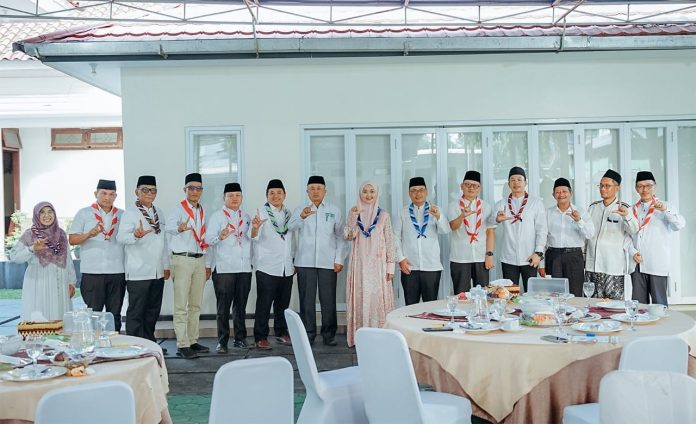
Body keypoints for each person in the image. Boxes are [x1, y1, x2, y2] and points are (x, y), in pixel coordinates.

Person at [288, 175, 347, 346]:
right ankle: (308, 334)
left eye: (319, 188)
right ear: (307, 191)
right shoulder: (300, 209)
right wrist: (301, 216)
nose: (315, 192)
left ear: (325, 191)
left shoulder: (334, 210)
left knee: (328, 300)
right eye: (312, 189)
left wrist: (339, 259)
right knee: (306, 300)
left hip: (328, 262)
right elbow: (290, 228)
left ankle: (329, 335)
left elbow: (340, 236)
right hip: (304, 262)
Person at [116, 175, 170, 347]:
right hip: (138, 271)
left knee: (152, 311)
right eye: (144, 190)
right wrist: (135, 235)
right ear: (136, 192)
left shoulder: (159, 212)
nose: (149, 193)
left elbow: (163, 241)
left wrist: (165, 265)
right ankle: (136, 346)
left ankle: (150, 343)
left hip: (157, 271)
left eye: (153, 190)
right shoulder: (130, 213)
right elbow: (120, 238)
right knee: (136, 312)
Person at [69, 179, 126, 332]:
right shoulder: (84, 213)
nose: (107, 197)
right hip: (92, 272)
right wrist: (89, 234)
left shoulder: (122, 215)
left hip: (117, 271)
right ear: (96, 194)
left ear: (115, 196)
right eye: (103, 193)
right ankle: (93, 344)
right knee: (93, 314)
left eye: (111, 194)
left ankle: (115, 343)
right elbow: (72, 239)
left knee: (115, 314)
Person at [344, 181, 396, 347]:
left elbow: (390, 240)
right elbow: (348, 235)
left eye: (372, 191)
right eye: (365, 191)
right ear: (360, 194)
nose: (368, 195)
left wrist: (391, 266)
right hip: (359, 264)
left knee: (377, 299)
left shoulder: (384, 215)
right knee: (361, 297)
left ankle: (380, 337)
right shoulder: (354, 212)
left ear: (377, 193)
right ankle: (361, 337)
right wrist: (353, 217)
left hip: (378, 265)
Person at [166, 173, 212, 359]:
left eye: (198, 188)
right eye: (191, 188)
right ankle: (182, 344)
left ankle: (192, 340)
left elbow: (204, 237)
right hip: (182, 259)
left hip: (199, 259)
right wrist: (179, 228)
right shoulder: (178, 209)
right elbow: (168, 228)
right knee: (181, 305)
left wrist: (207, 263)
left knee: (195, 304)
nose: (195, 191)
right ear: (184, 189)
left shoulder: (202, 210)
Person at [627, 171, 685, 306]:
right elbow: (626, 236)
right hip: (637, 264)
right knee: (639, 306)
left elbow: (679, 225)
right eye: (640, 186)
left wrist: (665, 210)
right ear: (636, 188)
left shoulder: (666, 206)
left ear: (655, 186)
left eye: (648, 185)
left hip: (657, 264)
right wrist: (632, 252)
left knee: (659, 305)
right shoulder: (632, 209)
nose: (644, 189)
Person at [207, 182, 253, 353]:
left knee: (241, 306)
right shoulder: (217, 217)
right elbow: (208, 240)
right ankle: (222, 341)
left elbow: (251, 238)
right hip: (224, 268)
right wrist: (220, 236)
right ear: (224, 198)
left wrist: (255, 228)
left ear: (242, 198)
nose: (234, 198)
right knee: (223, 308)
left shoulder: (246, 217)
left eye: (237, 195)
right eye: (231, 196)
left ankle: (240, 339)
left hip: (244, 267)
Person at [10, 202, 76, 321]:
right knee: (40, 316)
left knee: (60, 316)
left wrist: (71, 282)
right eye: (42, 212)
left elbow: (68, 259)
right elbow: (14, 256)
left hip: (60, 282)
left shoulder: (61, 233)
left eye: (50, 212)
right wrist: (32, 249)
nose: (47, 215)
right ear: (36, 215)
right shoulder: (30, 234)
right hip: (38, 282)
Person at [251, 179, 295, 350]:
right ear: (267, 195)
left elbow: (292, 239)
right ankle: (260, 337)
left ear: (285, 195)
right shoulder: (261, 212)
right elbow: (253, 237)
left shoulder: (289, 213)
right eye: (272, 193)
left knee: (283, 304)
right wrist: (255, 227)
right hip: (267, 266)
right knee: (264, 304)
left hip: (286, 266)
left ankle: (281, 332)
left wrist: (293, 260)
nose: (275, 196)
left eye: (279, 193)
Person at [393, 176, 450, 305]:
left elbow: (445, 230)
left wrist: (438, 216)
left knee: (430, 305)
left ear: (426, 191)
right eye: (413, 190)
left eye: (421, 190)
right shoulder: (402, 213)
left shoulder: (435, 210)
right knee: (410, 305)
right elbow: (395, 237)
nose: (417, 193)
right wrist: (400, 259)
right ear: (409, 193)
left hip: (431, 266)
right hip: (409, 266)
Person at [585, 169, 639, 300]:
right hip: (592, 265)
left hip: (613, 266)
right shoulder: (593, 207)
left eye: (607, 186)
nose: (603, 189)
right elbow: (586, 234)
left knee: (614, 305)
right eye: (601, 185)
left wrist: (626, 216)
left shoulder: (625, 208)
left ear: (617, 188)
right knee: (592, 304)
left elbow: (634, 230)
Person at [493, 166, 547, 290]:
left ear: (525, 183)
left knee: (531, 293)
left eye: (519, 179)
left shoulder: (536, 203)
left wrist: (538, 253)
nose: (516, 183)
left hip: (530, 257)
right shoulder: (501, 204)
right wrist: (497, 219)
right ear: (508, 184)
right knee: (510, 294)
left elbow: (542, 230)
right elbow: (490, 224)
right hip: (508, 257)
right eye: (512, 180)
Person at [539, 178, 595, 297]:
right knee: (554, 294)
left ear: (571, 193)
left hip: (574, 256)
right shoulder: (547, 213)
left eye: (564, 191)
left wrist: (579, 220)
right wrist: (541, 264)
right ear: (553, 195)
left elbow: (590, 234)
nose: (561, 195)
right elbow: (542, 238)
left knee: (575, 293)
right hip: (553, 256)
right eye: (558, 192)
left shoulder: (581, 212)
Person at [448, 171, 496, 294]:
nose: (471, 188)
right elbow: (452, 227)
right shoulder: (454, 206)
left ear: (479, 189)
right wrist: (462, 216)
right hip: (460, 258)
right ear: (461, 186)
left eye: (475, 186)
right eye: (468, 185)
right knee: (461, 296)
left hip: (481, 257)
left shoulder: (486, 206)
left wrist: (489, 255)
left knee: (483, 295)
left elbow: (490, 232)